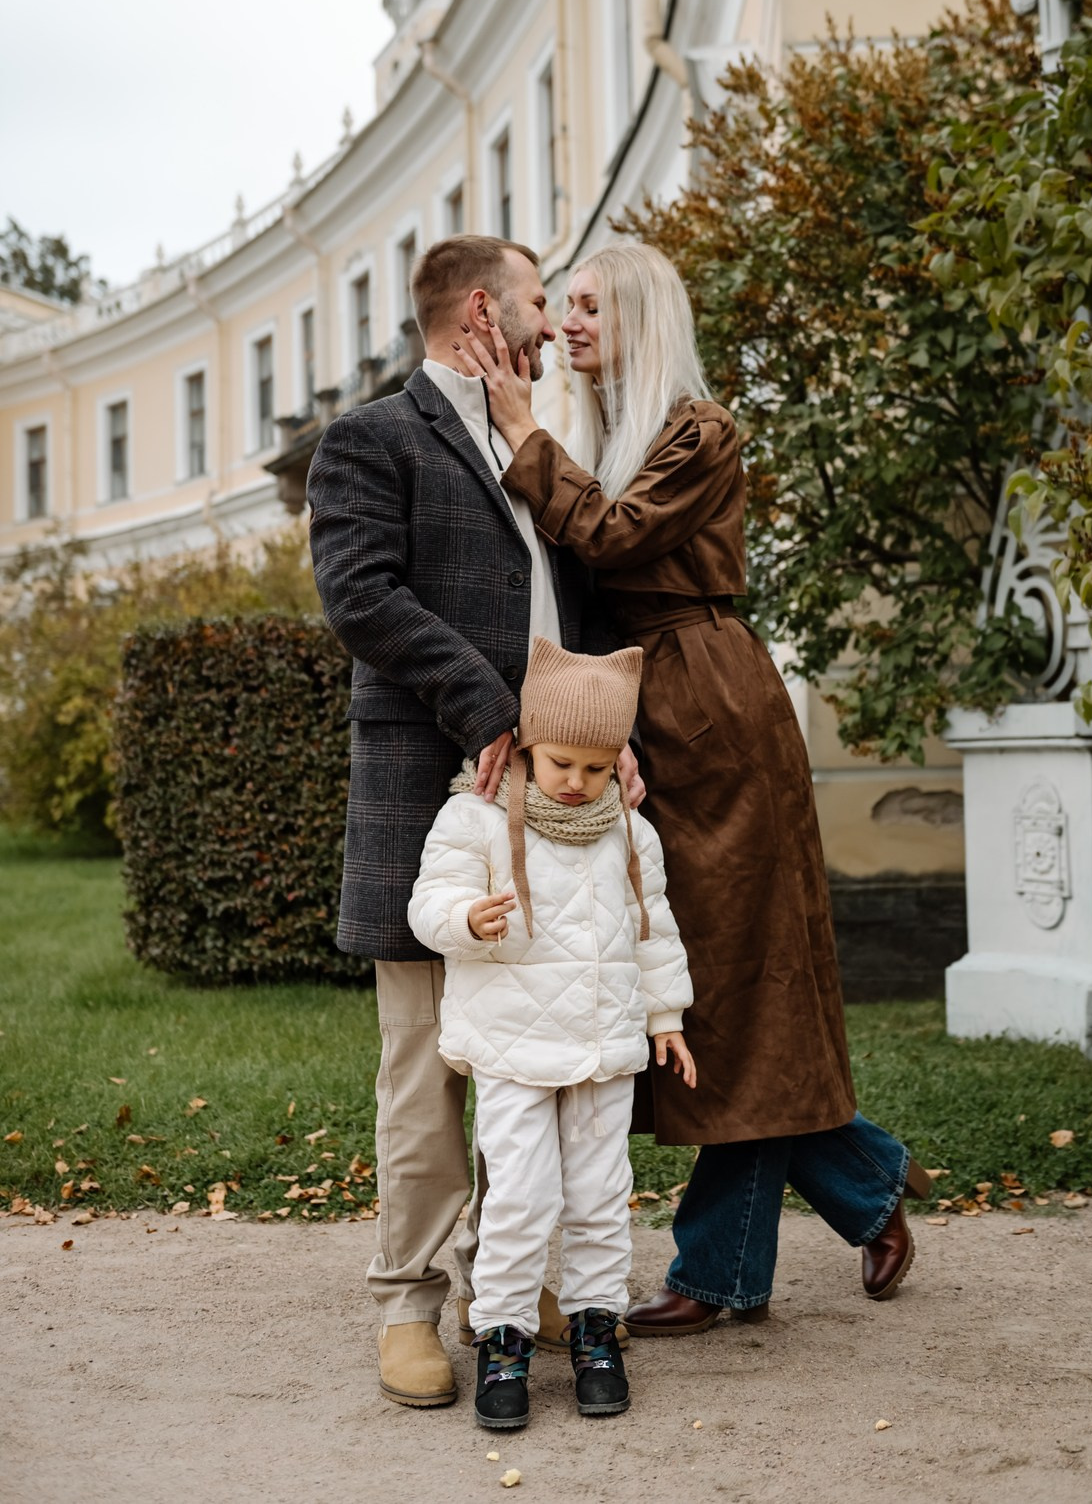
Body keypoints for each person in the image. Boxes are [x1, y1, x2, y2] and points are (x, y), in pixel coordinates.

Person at [449, 240, 932, 1334]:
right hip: (643, 709)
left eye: (588, 307)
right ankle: (862, 1178)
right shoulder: (612, 432)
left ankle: (725, 1268)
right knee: (705, 993)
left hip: (711, 713)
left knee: (728, 991)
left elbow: (610, 537)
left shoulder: (696, 430)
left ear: (639, 317)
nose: (568, 323)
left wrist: (521, 429)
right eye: (560, 306)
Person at [307, 235, 642, 1409]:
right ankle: (409, 1299)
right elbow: (361, 593)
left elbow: (583, 612)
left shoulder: (542, 447)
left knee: (537, 1050)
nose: (554, 325)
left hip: (557, 799)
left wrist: (604, 734)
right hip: (426, 785)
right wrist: (490, 707)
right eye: (541, 302)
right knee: (424, 1062)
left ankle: (508, 1279)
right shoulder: (372, 437)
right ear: (479, 312)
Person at [408, 637, 694, 1429]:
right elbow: (429, 902)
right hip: (512, 1046)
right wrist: (465, 918)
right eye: (563, 763)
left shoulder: (631, 834)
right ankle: (505, 1338)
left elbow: (653, 927)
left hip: (603, 1047)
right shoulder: (474, 818)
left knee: (602, 1196)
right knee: (521, 1198)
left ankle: (597, 1328)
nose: (577, 783)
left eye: (597, 769)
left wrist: (665, 1016)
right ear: (528, 744)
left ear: (617, 765)